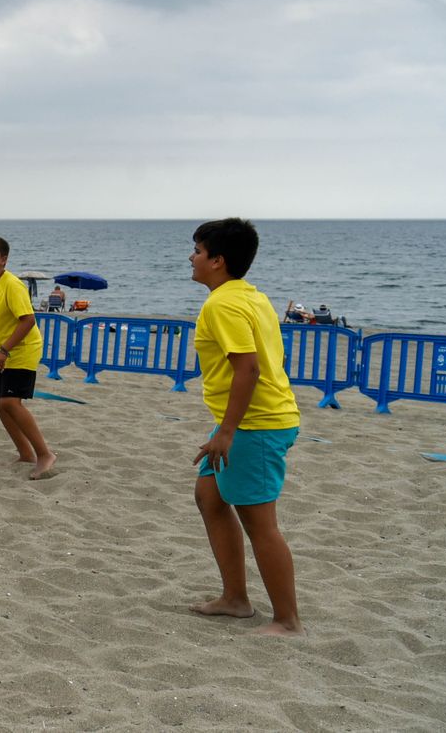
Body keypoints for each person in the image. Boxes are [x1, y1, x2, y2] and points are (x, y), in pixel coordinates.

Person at [188, 218, 303, 636]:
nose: (192, 257)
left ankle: (288, 622)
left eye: (198, 251)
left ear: (217, 261)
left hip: (256, 426)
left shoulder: (222, 304)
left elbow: (248, 369)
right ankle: (235, 599)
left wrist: (226, 432)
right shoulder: (251, 296)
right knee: (210, 497)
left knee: (260, 524)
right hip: (260, 419)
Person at [0, 236, 56, 480]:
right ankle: (25, 453)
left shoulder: (12, 285)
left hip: (23, 349)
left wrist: (4, 350)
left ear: (4, 260)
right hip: (4, 351)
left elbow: (28, 320)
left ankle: (44, 454)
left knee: (10, 402)